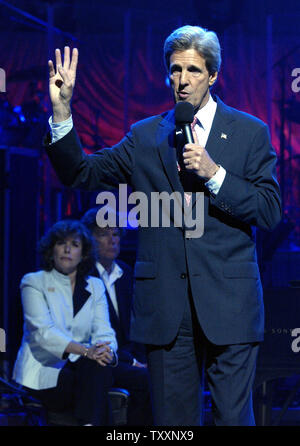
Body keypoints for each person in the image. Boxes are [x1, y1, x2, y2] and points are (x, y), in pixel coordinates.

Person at [44, 25, 282, 426]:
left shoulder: (249, 132)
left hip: (230, 303)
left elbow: (270, 210)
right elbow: (81, 173)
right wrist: (62, 111)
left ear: (213, 75)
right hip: (166, 309)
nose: (183, 80)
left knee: (232, 418)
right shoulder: (144, 136)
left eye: (193, 70)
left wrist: (214, 173)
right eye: (175, 70)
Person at [12, 220, 118, 426]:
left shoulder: (95, 286)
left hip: (82, 365)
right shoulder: (33, 281)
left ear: (84, 254)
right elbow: (43, 333)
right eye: (61, 243)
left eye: (75, 245)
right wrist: (86, 351)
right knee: (88, 381)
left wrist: (107, 350)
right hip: (43, 367)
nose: (67, 249)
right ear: (51, 250)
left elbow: (104, 329)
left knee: (100, 368)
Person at [81, 207, 153, 425]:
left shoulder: (126, 272)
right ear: (89, 240)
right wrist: (131, 361)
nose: (112, 240)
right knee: (149, 380)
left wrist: (141, 359)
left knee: (161, 376)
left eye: (115, 234)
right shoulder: (83, 277)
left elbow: (139, 322)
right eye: (103, 234)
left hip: (129, 357)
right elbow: (90, 333)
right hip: (98, 360)